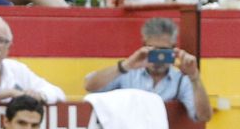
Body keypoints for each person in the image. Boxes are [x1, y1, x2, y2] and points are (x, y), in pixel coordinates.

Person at [82, 15, 213, 122]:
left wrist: (194, 77)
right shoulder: (127, 71)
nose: (159, 57)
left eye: (164, 51)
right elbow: (89, 85)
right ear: (144, 46)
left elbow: (203, 116)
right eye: (154, 50)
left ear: (173, 48)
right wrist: (126, 65)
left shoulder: (180, 80)